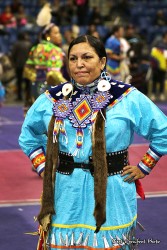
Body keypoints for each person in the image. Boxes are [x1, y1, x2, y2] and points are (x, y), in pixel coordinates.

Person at [19, 35, 167, 249]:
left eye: (87, 57)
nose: (79, 64)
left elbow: (163, 130)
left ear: (102, 61)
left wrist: (144, 166)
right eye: (73, 58)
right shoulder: (53, 98)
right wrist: (44, 167)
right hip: (65, 193)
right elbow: (28, 136)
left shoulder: (127, 97)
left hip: (112, 192)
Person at [23, 15, 68, 114]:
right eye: (56, 33)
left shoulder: (35, 48)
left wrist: (36, 79)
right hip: (51, 88)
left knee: (37, 116)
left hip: (35, 87)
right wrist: (69, 85)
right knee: (50, 118)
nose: (59, 35)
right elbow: (53, 74)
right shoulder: (55, 50)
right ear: (47, 35)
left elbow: (27, 70)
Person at [10, 31, 32, 101]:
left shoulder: (16, 44)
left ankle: (19, 96)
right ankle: (28, 96)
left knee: (19, 81)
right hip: (27, 66)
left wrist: (14, 63)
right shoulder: (29, 44)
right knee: (27, 81)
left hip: (18, 65)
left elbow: (13, 55)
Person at [150, 31, 167, 101]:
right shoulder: (158, 42)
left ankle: (161, 93)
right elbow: (153, 51)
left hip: (164, 65)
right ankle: (153, 93)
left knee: (162, 79)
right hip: (156, 64)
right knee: (155, 79)